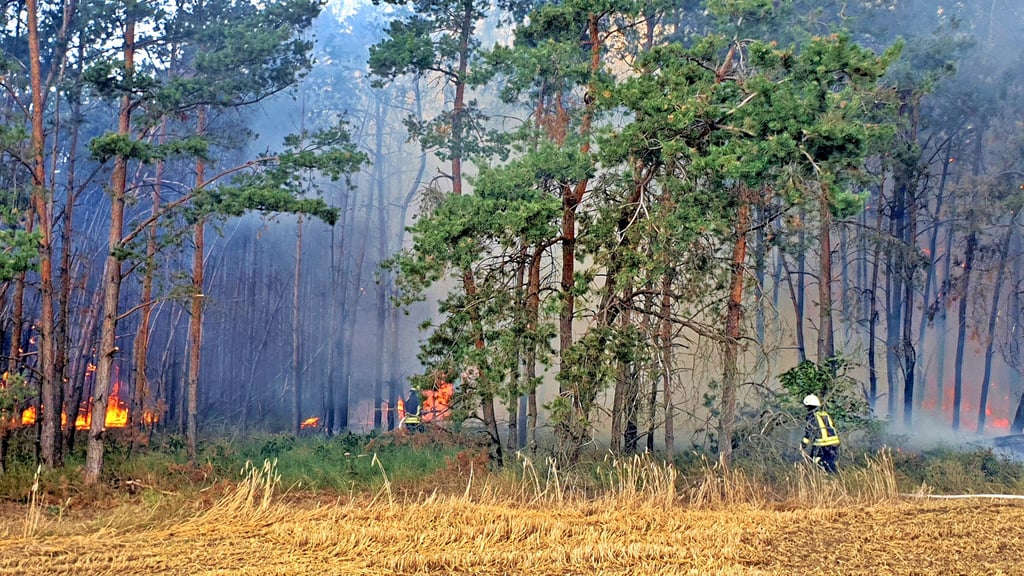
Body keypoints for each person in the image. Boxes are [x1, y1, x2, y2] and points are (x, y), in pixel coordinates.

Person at [801, 394, 840, 473]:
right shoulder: (825, 414)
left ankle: (822, 477)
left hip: (822, 443)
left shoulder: (811, 416)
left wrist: (804, 444)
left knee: (816, 460)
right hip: (834, 442)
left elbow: (809, 431)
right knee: (830, 462)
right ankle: (834, 478)